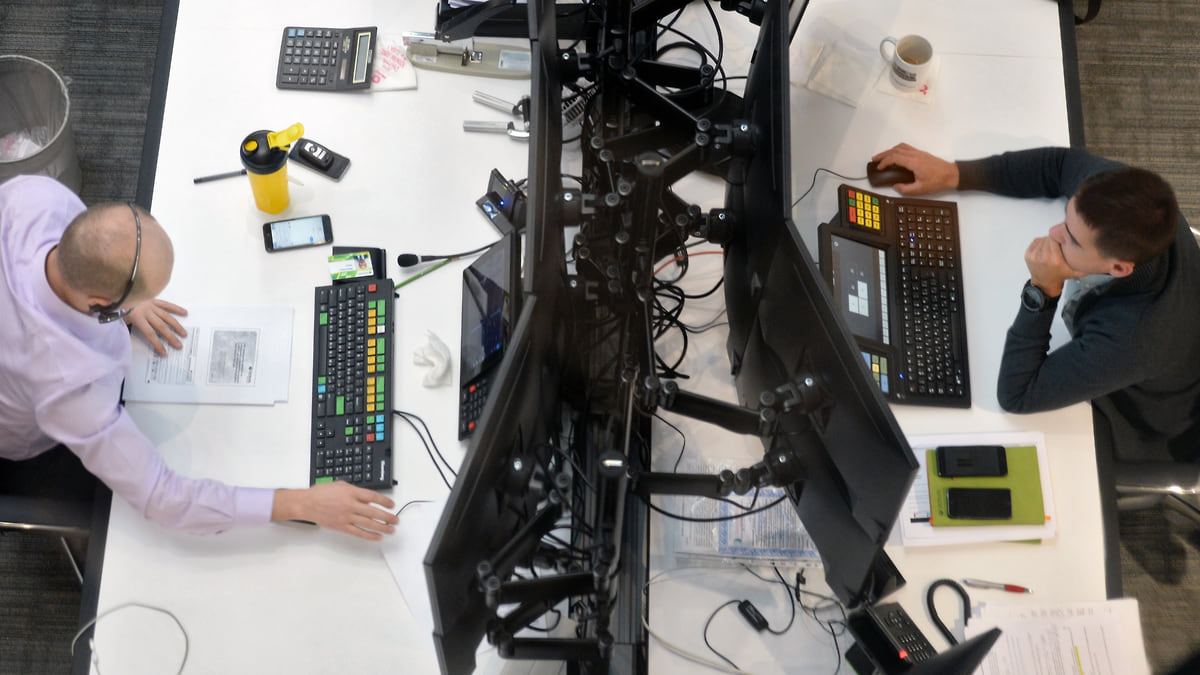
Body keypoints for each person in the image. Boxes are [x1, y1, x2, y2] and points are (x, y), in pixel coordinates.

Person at [0, 175, 399, 539]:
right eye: (139, 296)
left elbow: (90, 257)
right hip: (30, 440)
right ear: (99, 303)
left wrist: (126, 303)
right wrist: (300, 504)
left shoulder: (36, 196)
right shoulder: (70, 389)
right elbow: (162, 497)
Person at [870, 144, 1200, 463]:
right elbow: (1058, 166)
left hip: (1140, 417)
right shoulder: (1117, 197)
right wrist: (955, 174)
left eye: (1072, 238)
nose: (1055, 232)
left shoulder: (1135, 339)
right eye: (1067, 218)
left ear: (1118, 268)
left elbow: (1017, 394)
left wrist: (1042, 290)